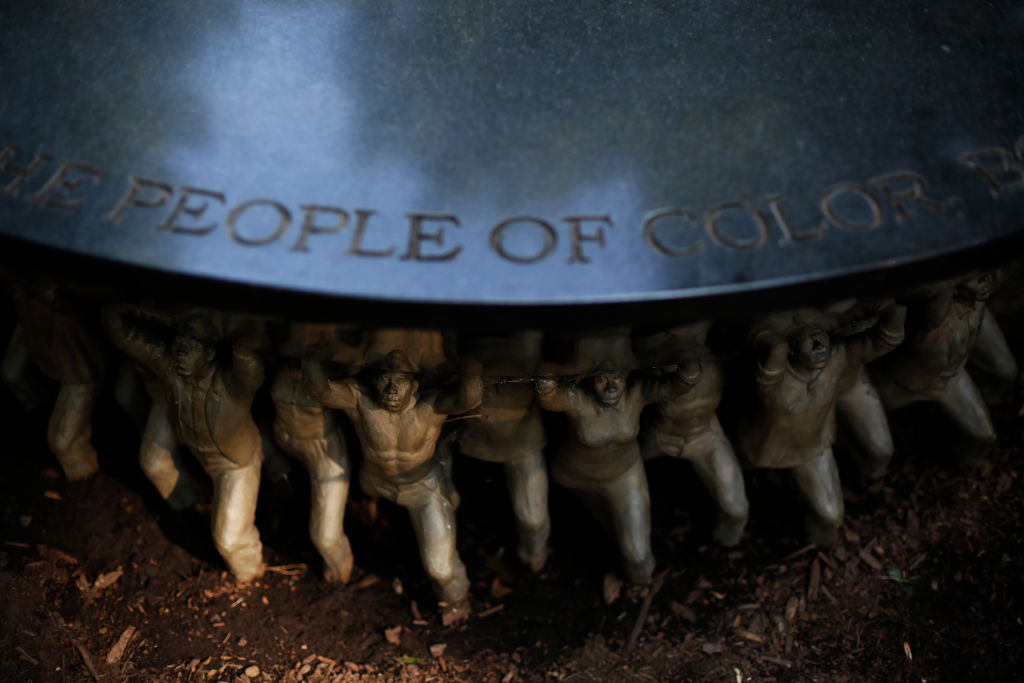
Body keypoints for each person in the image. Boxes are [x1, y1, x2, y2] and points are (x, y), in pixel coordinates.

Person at [302, 350, 482, 616]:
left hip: (422, 488)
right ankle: (347, 559)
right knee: (359, 507)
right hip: (375, 481)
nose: (392, 388)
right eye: (385, 379)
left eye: (401, 380)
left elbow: (468, 399)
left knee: (440, 567)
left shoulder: (429, 407)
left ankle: (456, 600)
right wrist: (311, 351)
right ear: (372, 381)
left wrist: (470, 364)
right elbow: (320, 390)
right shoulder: (360, 400)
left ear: (416, 384)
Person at [105, 306, 266, 582]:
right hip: (194, 445)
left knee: (228, 538)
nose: (180, 352)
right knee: (154, 462)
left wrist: (224, 327)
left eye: (190, 347)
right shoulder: (171, 369)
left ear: (211, 353)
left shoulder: (233, 383)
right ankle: (190, 504)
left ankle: (250, 569)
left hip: (235, 466)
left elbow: (249, 357)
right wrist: (152, 313)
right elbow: (121, 333)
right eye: (178, 345)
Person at [737, 304, 905, 545]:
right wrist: (772, 342)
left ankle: (818, 542)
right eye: (804, 336)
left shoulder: (837, 357)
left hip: (812, 448)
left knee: (830, 514)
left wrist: (895, 308)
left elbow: (883, 340)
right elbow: (765, 365)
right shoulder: (773, 377)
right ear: (790, 349)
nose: (816, 342)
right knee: (737, 484)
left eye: (818, 333)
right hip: (761, 445)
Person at [534, 357, 702, 584]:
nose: (611, 387)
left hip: (625, 474)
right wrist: (551, 370)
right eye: (602, 379)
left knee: (638, 556)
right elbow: (549, 396)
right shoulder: (579, 400)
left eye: (617, 378)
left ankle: (639, 585)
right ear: (589, 381)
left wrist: (688, 363)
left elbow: (677, 385)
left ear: (627, 377)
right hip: (575, 476)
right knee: (606, 524)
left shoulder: (637, 393)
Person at [872, 271, 1015, 463]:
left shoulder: (977, 306)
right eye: (974, 277)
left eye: (984, 275)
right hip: (906, 383)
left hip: (951, 381)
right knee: (871, 426)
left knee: (985, 436)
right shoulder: (936, 312)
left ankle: (959, 465)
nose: (984, 281)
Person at [637, 321, 748, 546]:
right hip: (658, 436)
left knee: (735, 508)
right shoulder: (655, 364)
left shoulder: (719, 359)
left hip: (706, 436)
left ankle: (725, 544)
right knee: (629, 497)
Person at [271, 322, 363, 583]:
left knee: (325, 535)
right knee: (269, 465)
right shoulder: (280, 366)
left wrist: (317, 359)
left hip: (324, 452)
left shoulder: (332, 375)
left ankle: (339, 572)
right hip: (284, 437)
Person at [10, 278, 108, 481]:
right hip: (41, 337)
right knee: (13, 376)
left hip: (76, 361)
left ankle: (85, 479)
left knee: (62, 441)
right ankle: (46, 421)